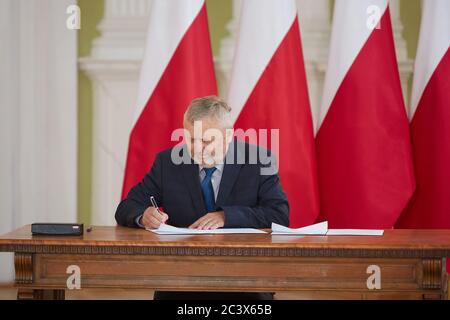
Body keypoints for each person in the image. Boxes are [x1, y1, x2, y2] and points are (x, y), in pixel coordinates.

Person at [115, 96, 289, 299]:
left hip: (244, 276)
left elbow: (279, 215)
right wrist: (143, 215)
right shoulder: (167, 162)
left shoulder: (259, 160)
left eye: (206, 140)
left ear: (228, 136)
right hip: (182, 277)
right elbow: (127, 207)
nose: (197, 148)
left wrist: (225, 217)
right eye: (190, 139)